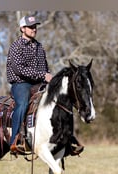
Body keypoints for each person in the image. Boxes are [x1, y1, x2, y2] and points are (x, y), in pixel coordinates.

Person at [6, 15, 84, 156]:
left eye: (35, 26)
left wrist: (51, 79)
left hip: (39, 83)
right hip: (21, 83)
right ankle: (15, 139)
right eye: (30, 27)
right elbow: (19, 69)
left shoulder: (39, 47)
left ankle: (67, 139)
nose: (34, 29)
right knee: (23, 103)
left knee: (62, 100)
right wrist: (43, 76)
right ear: (22, 29)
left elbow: (45, 68)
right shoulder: (16, 47)